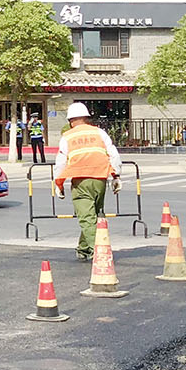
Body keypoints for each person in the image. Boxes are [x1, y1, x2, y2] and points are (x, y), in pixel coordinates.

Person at [52, 102, 122, 261]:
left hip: (80, 181)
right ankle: (83, 249)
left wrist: (59, 184)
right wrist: (116, 176)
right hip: (100, 180)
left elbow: (61, 163)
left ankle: (100, 252)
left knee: (87, 218)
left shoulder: (68, 137)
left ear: (70, 120)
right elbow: (113, 154)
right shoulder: (99, 133)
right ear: (87, 118)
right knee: (93, 216)